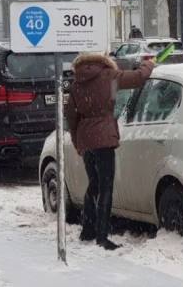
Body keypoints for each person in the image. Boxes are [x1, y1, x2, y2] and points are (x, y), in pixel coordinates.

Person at [65, 52, 154, 250]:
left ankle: (87, 230)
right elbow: (139, 78)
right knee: (105, 186)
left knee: (94, 184)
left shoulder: (77, 82)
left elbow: (71, 114)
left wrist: (77, 141)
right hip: (104, 137)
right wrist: (148, 64)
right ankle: (102, 236)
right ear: (103, 61)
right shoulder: (109, 76)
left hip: (86, 138)